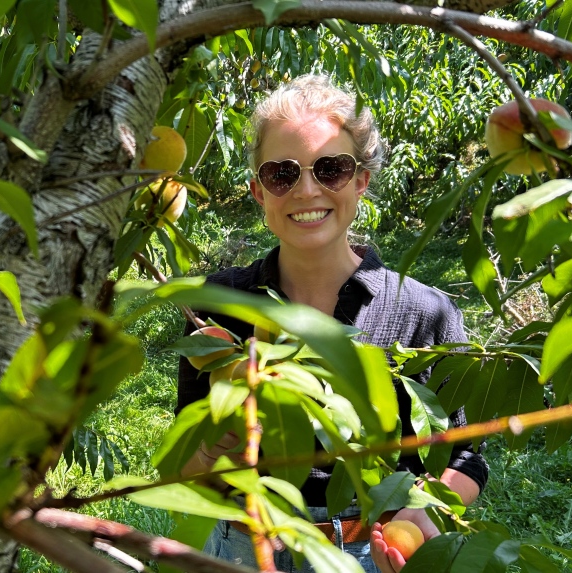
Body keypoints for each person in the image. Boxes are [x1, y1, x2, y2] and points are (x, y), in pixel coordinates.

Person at [174, 74, 488, 573]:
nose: (306, 189)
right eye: (282, 174)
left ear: (360, 179)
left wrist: (425, 509)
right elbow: (186, 458)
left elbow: (466, 457)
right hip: (242, 545)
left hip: (372, 550)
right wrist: (221, 444)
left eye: (330, 168)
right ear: (258, 190)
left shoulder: (425, 313)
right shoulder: (221, 303)